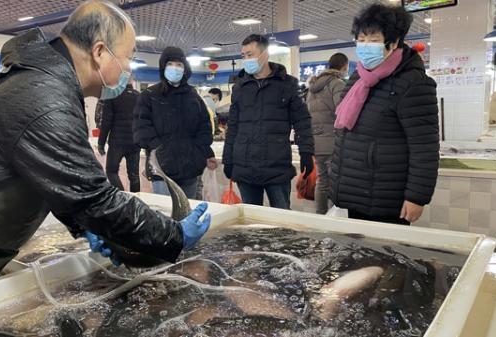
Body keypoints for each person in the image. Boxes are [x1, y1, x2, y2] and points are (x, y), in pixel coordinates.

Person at [0, 0, 210, 304]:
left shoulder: (36, 80)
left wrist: (85, 224)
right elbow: (94, 197)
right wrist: (173, 235)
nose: (128, 68)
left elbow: (54, 180)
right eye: (127, 57)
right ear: (100, 52)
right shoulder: (45, 98)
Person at [330, 4, 439, 225]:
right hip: (355, 190)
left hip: (387, 196)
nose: (365, 46)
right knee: (357, 255)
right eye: (361, 39)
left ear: (394, 42)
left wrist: (416, 197)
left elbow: (424, 148)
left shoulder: (413, 83)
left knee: (385, 258)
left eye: (373, 40)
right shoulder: (357, 79)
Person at [223, 34, 314, 210]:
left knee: (281, 221)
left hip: (276, 167)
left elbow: (302, 120)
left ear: (265, 54)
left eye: (250, 54)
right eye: (243, 56)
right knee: (251, 221)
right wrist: (228, 159)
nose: (246, 59)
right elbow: (232, 126)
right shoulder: (240, 87)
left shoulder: (286, 84)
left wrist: (306, 152)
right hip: (245, 167)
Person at [134, 47, 218, 199]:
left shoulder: (193, 95)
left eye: (179, 64)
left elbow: (204, 126)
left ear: (185, 68)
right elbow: (141, 129)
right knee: (167, 214)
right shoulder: (149, 96)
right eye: (170, 64)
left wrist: (204, 152)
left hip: (190, 169)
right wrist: (160, 149)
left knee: (189, 213)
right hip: (162, 169)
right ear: (163, 67)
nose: (175, 68)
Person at [306, 53, 349, 214]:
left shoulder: (313, 87)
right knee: (336, 182)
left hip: (316, 141)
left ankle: (321, 216)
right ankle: (336, 219)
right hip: (333, 141)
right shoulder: (337, 84)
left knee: (322, 181)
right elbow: (343, 112)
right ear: (344, 66)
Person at [98, 82, 141, 192]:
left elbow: (106, 122)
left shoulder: (113, 95)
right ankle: (135, 202)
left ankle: (122, 196)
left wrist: (101, 143)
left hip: (117, 143)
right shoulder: (138, 96)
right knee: (134, 175)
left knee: (111, 171)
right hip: (135, 142)